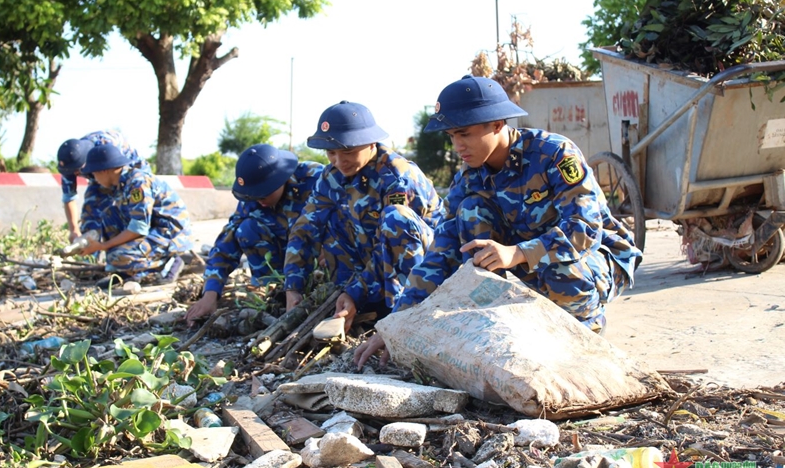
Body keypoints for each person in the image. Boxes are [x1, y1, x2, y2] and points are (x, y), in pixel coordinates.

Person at [354, 75, 643, 368]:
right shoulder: (468, 178)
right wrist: (396, 322)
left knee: (562, 275)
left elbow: (585, 230)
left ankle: (588, 324)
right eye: (451, 136)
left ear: (496, 124)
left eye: (464, 133)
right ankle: (495, 318)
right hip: (529, 261)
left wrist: (516, 253)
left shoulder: (553, 153)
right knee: (470, 211)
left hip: (594, 259)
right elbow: (440, 253)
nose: (457, 145)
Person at [284, 100, 445, 330]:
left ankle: (413, 313)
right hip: (372, 268)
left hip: (428, 266)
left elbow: (395, 239)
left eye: (348, 151)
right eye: (331, 153)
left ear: (370, 143)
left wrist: (355, 292)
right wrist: (293, 287)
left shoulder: (397, 177)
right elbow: (305, 229)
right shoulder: (330, 177)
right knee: (327, 219)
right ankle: (356, 306)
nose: (339, 161)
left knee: (395, 218)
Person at [184, 144, 327, 326]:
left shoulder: (314, 178)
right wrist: (210, 294)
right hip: (281, 266)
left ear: (280, 179)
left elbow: (349, 217)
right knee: (246, 229)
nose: (259, 200)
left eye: (263, 195)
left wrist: (332, 245)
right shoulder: (252, 199)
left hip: (320, 260)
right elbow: (226, 243)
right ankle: (274, 291)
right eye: (253, 196)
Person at [77, 144, 194, 288]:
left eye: (94, 174)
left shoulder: (137, 183)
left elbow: (139, 227)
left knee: (116, 255)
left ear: (104, 170)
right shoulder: (121, 184)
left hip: (170, 233)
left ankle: (172, 260)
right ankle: (127, 273)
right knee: (109, 215)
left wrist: (102, 246)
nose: (94, 179)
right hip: (154, 229)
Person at [56, 130, 149, 243]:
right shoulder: (70, 162)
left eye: (77, 171)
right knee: (90, 216)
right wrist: (73, 230)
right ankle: (91, 255)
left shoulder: (106, 145)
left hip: (127, 171)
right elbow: (69, 197)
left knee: (127, 214)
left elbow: (119, 176)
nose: (76, 174)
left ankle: (133, 249)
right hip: (99, 175)